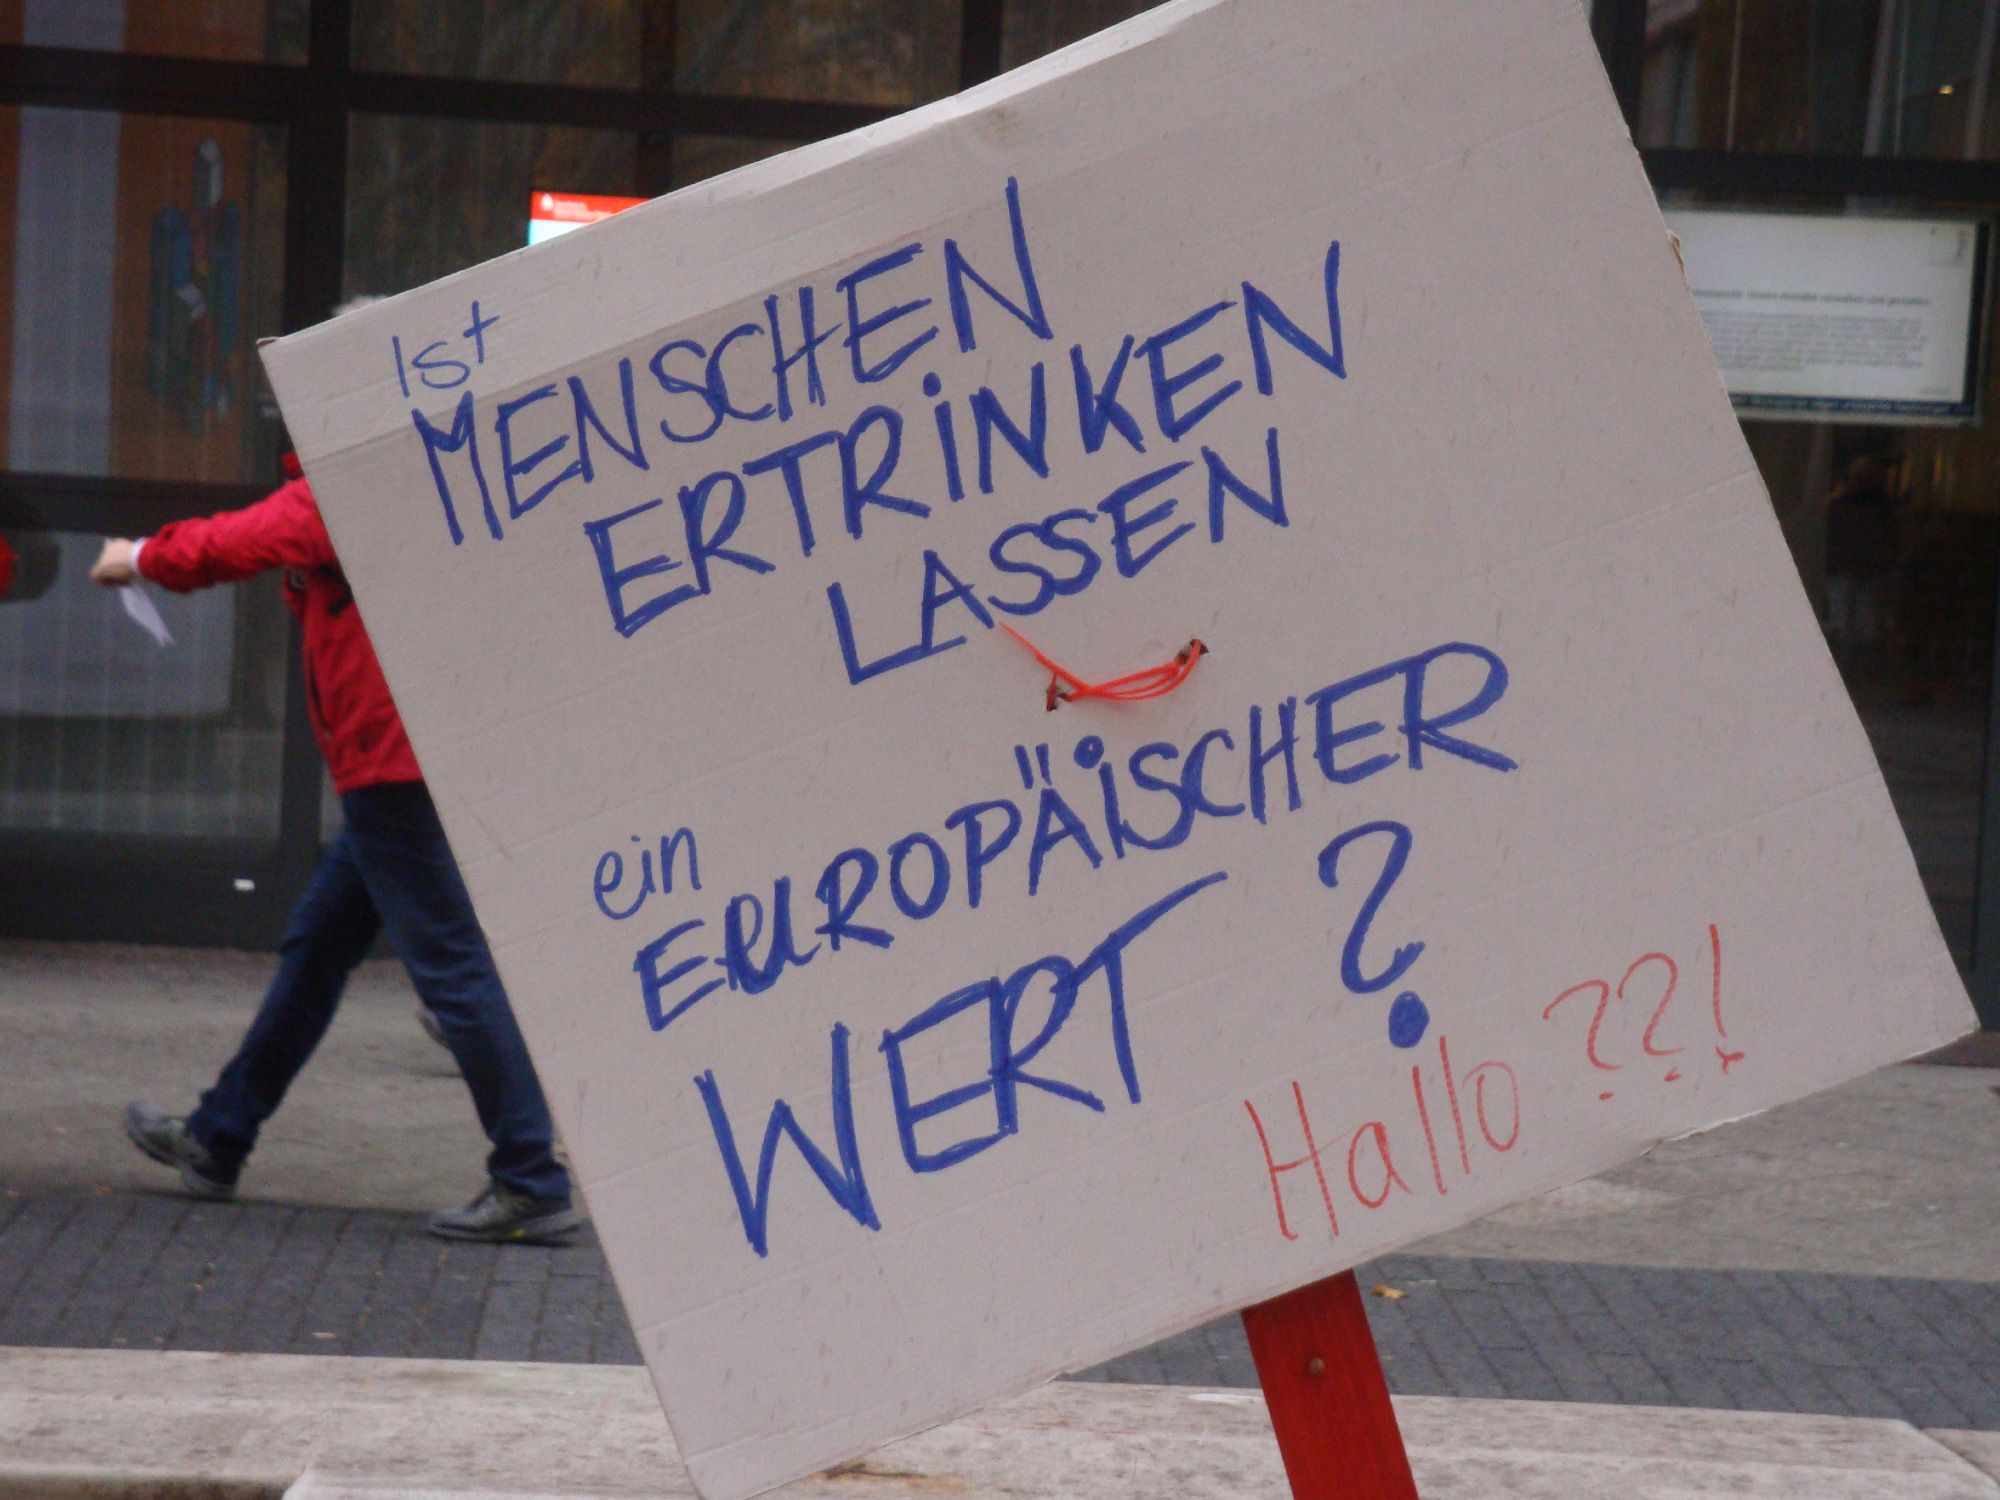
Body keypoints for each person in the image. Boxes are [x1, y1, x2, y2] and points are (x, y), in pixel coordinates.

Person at [90, 454, 578, 1244]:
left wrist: (140, 556)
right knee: (317, 948)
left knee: (453, 969)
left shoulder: (357, 475)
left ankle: (530, 1177)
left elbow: (242, 540)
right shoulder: (413, 469)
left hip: (392, 765)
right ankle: (219, 1138)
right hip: (403, 757)